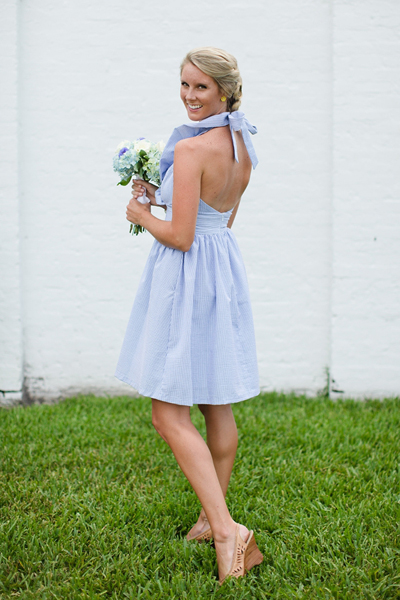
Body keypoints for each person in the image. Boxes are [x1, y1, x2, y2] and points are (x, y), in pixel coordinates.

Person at [115, 47, 263, 584]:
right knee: (214, 399)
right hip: (220, 271)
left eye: (201, 87)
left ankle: (228, 529)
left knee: (168, 414)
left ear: (224, 90)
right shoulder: (243, 147)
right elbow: (215, 218)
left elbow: (180, 235)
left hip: (185, 278)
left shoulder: (197, 149)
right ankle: (209, 517)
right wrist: (165, 199)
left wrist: (139, 213)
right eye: (184, 84)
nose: (189, 96)